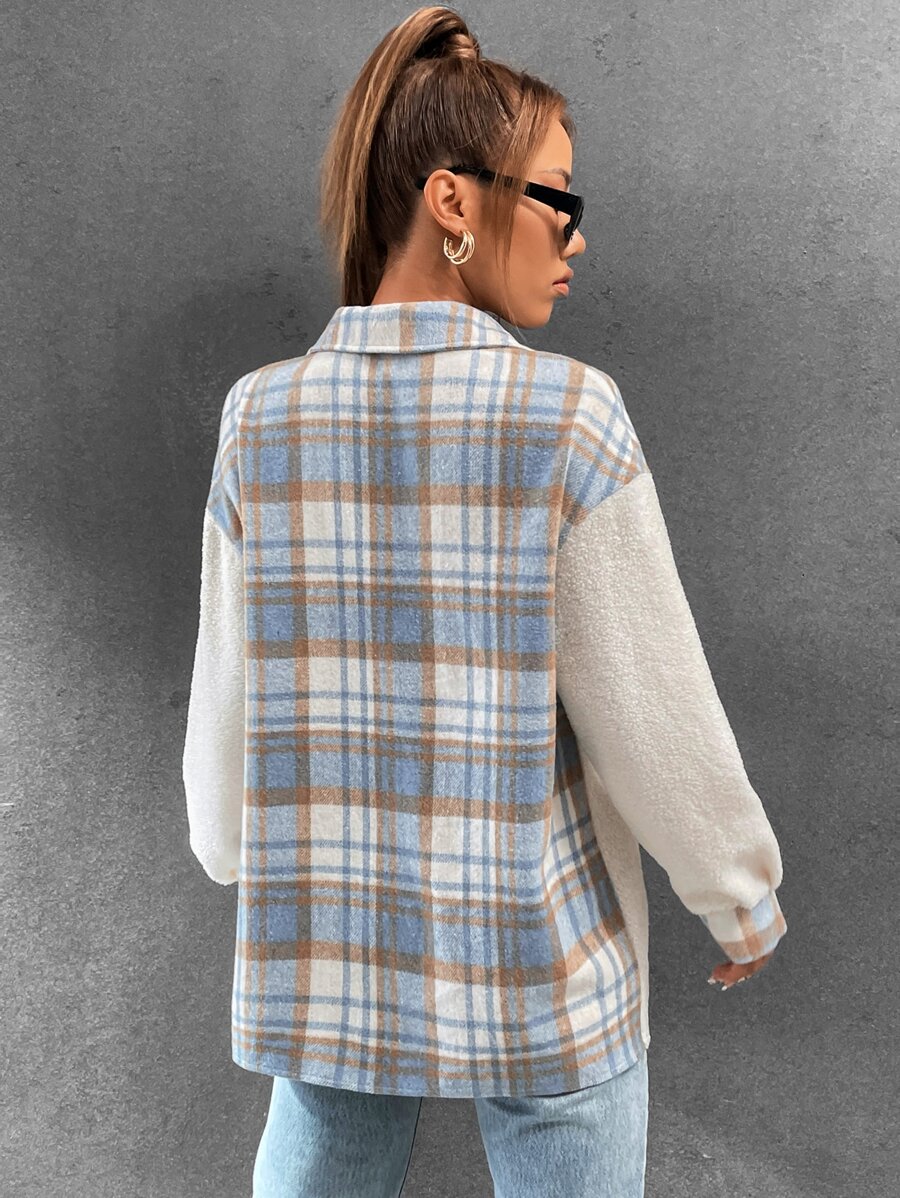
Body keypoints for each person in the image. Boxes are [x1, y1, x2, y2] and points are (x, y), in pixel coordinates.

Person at [181, 7, 787, 1196]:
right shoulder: (569, 418)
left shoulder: (260, 419)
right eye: (557, 198)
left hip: (331, 950)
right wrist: (738, 893)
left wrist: (229, 845)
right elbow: (651, 709)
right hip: (540, 956)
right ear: (453, 201)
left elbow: (226, 697)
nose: (575, 234)